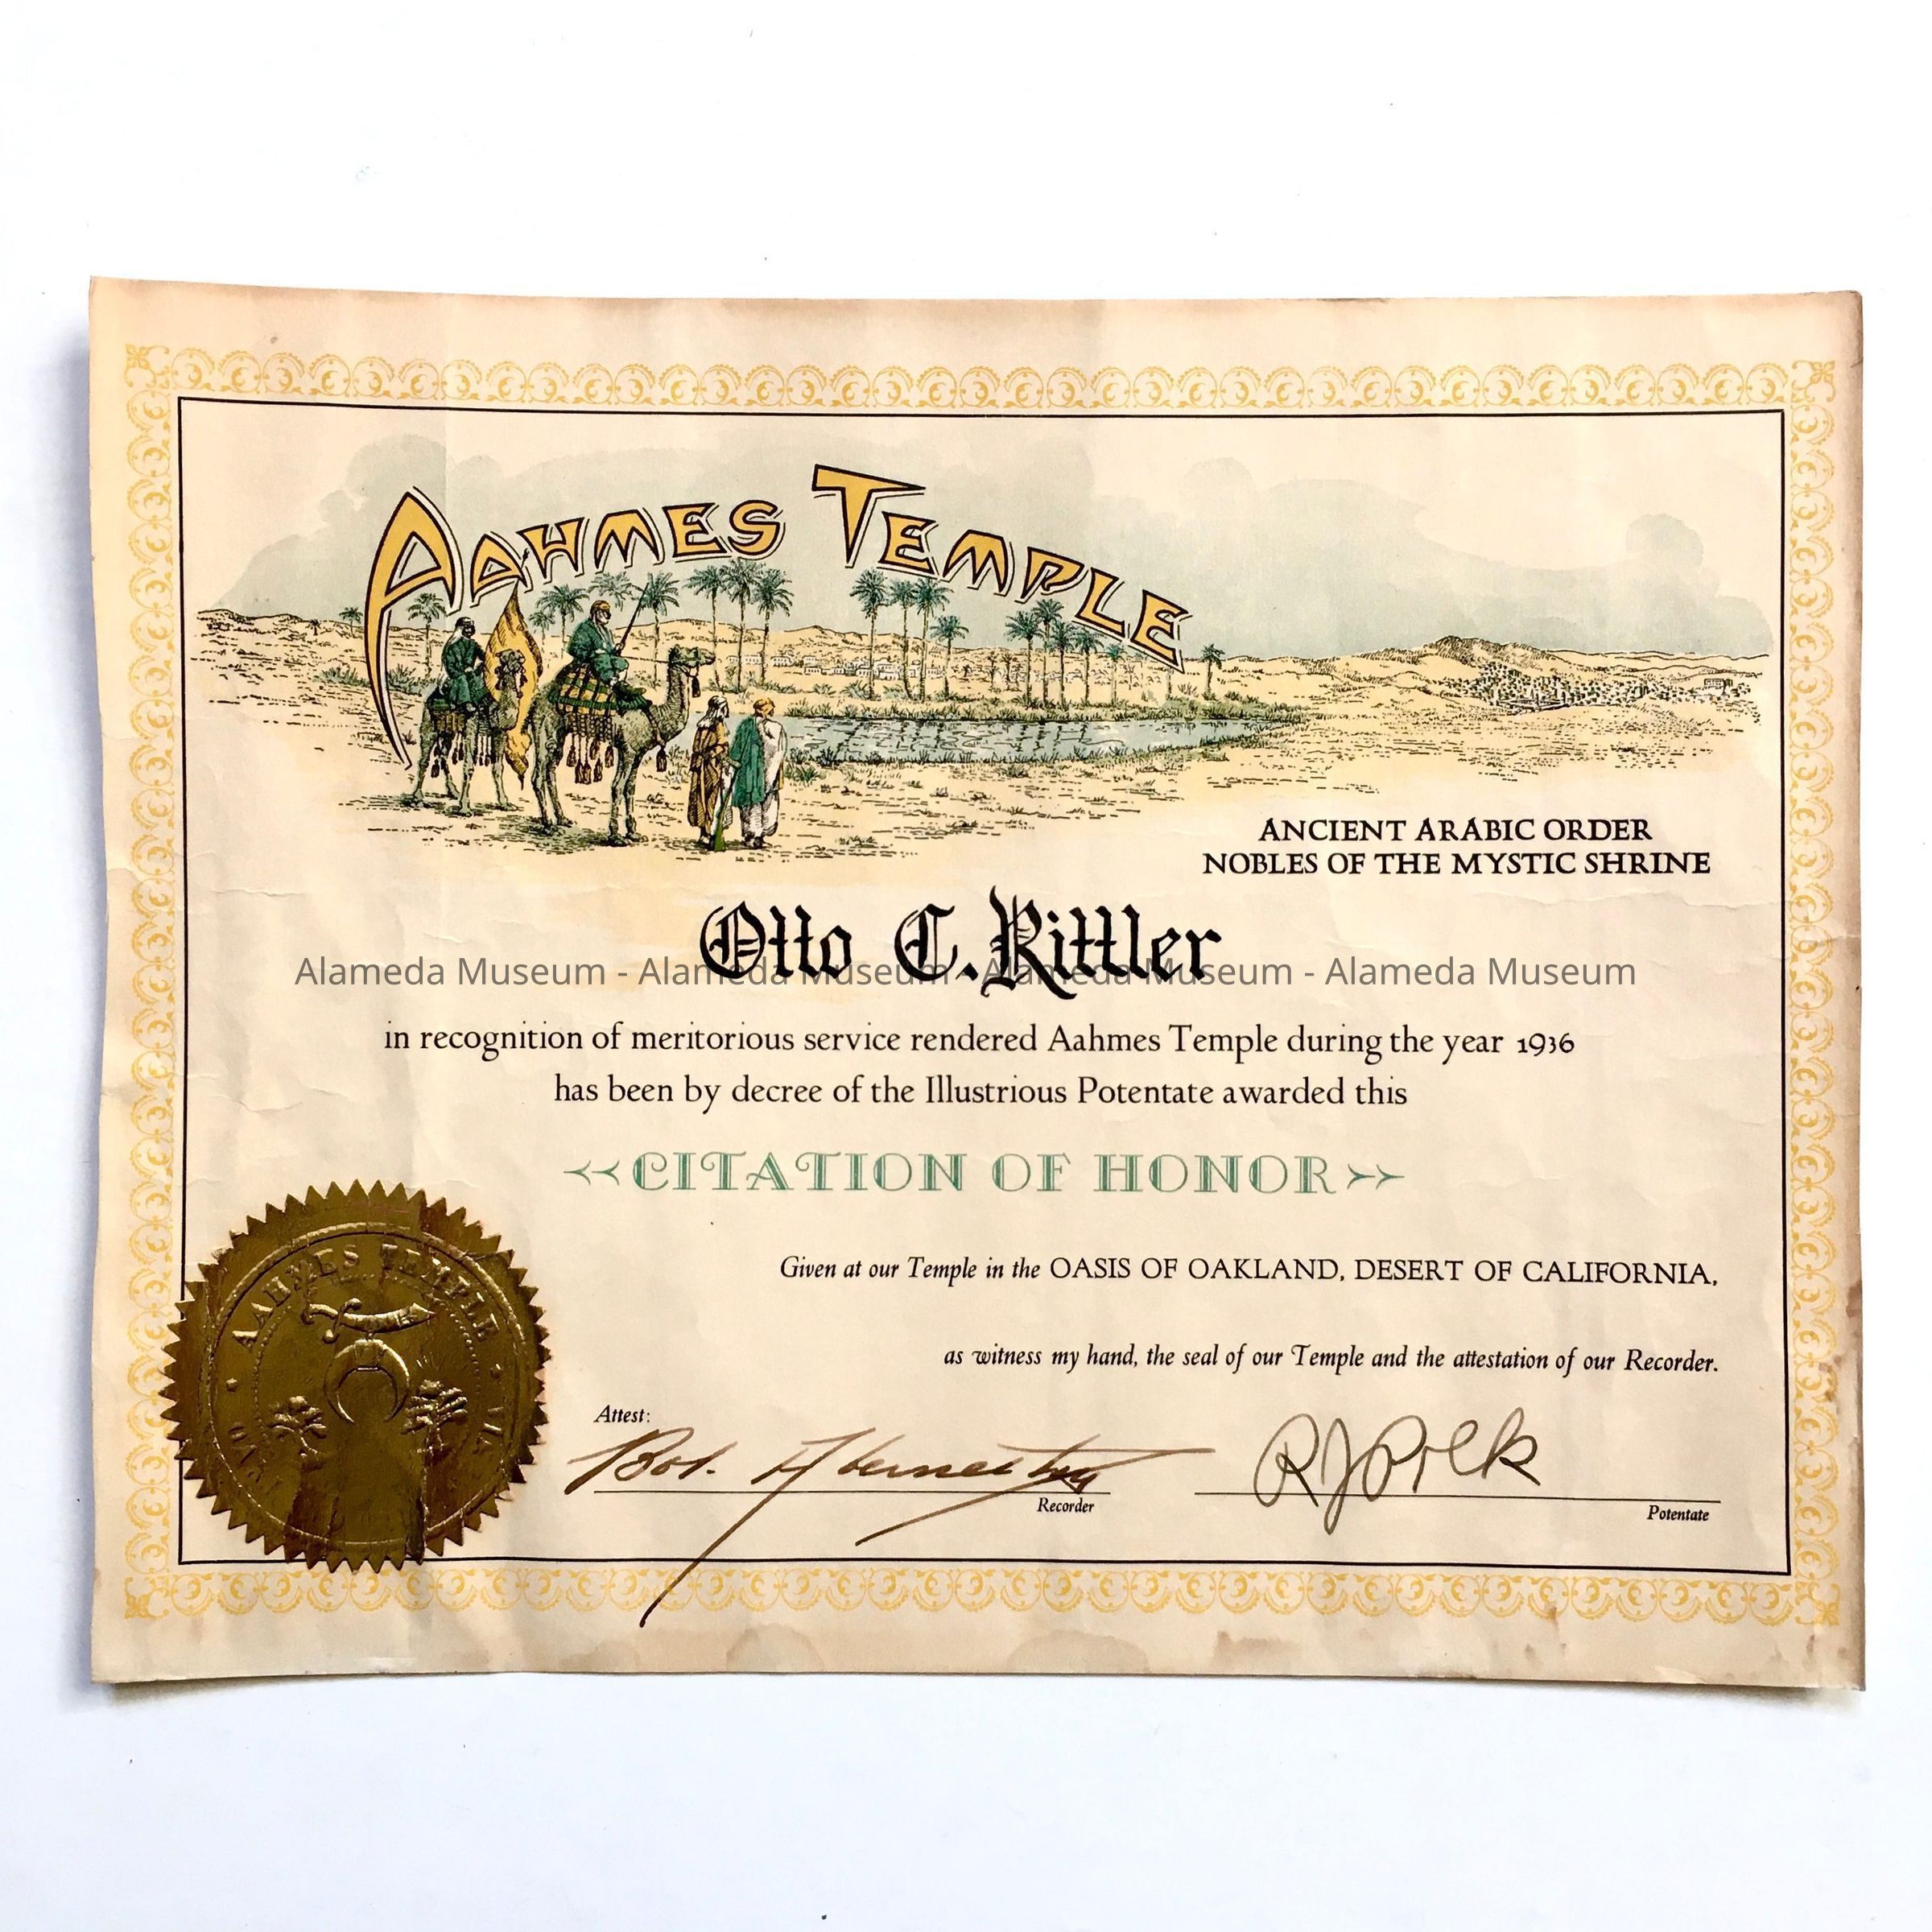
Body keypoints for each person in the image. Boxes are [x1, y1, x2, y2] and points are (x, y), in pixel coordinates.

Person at [728, 698, 787, 849]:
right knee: (754, 803)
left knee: (763, 803)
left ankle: (757, 836)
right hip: (753, 771)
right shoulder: (749, 726)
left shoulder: (771, 727)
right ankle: (754, 836)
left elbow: (779, 752)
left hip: (761, 772)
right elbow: (737, 750)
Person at [687, 696, 732, 848]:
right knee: (712, 799)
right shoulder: (718, 725)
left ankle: (703, 834)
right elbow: (721, 745)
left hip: (699, 766)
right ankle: (709, 833)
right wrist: (718, 752)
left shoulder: (702, 724)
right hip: (711, 767)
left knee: (701, 797)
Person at [566, 598, 627, 685]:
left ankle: (620, 683)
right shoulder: (584, 628)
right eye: (604, 612)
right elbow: (573, 649)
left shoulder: (606, 631)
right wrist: (593, 653)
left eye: (607, 612)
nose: (607, 615)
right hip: (590, 661)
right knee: (602, 659)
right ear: (596, 613)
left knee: (621, 662)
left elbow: (608, 650)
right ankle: (614, 683)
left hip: (605, 660)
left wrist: (615, 649)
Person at [436, 617, 489, 710]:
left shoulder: (473, 645)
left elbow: (484, 657)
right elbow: (450, 668)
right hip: (456, 678)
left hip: (470, 674)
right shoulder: (453, 646)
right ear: (461, 629)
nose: (469, 631)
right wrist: (463, 672)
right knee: (463, 680)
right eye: (466, 628)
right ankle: (467, 704)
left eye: (470, 628)